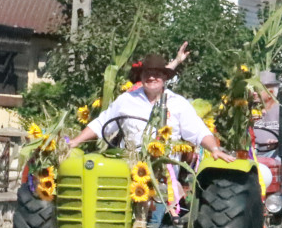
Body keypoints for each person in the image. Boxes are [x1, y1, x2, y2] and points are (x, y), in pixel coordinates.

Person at [68, 53, 235, 164]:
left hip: (163, 170)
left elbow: (199, 132)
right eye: (147, 73)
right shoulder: (126, 99)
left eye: (157, 74)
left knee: (160, 200)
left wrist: (214, 148)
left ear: (164, 78)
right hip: (129, 165)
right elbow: (100, 123)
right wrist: (74, 142)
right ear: (141, 76)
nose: (152, 77)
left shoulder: (178, 103)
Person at [253, 71, 282, 157]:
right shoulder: (249, 109)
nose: (254, 93)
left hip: (273, 153)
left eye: (258, 90)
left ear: (270, 93)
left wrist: (277, 142)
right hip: (250, 152)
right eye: (254, 89)